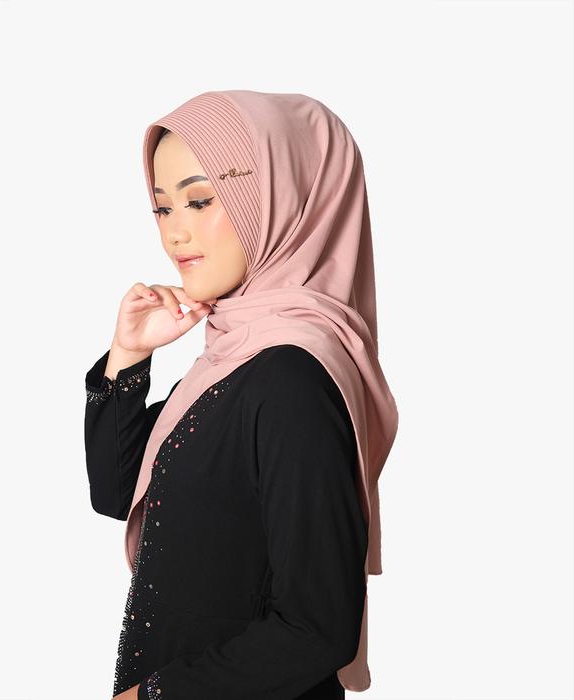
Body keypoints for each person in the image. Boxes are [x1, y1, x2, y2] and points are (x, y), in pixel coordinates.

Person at [83, 90, 399, 700]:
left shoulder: (293, 379)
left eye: (201, 200)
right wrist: (129, 355)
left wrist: (151, 697)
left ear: (286, 202)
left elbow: (316, 629)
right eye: (162, 207)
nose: (176, 233)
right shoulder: (231, 359)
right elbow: (117, 493)